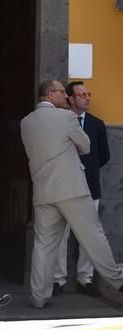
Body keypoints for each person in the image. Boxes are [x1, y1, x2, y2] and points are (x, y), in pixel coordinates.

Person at [20, 80, 123, 309]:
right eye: (61, 92)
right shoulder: (66, 117)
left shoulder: (26, 122)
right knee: (94, 238)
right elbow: (86, 146)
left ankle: (39, 297)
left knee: (44, 246)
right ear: (49, 94)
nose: (65, 97)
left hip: (44, 191)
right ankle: (119, 282)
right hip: (72, 189)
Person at [53, 81, 110, 297]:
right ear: (70, 99)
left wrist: (88, 172)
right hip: (63, 188)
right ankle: (58, 279)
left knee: (89, 236)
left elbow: (104, 156)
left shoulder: (97, 124)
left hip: (89, 188)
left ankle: (85, 279)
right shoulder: (60, 122)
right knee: (60, 236)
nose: (87, 97)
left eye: (88, 94)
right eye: (82, 94)